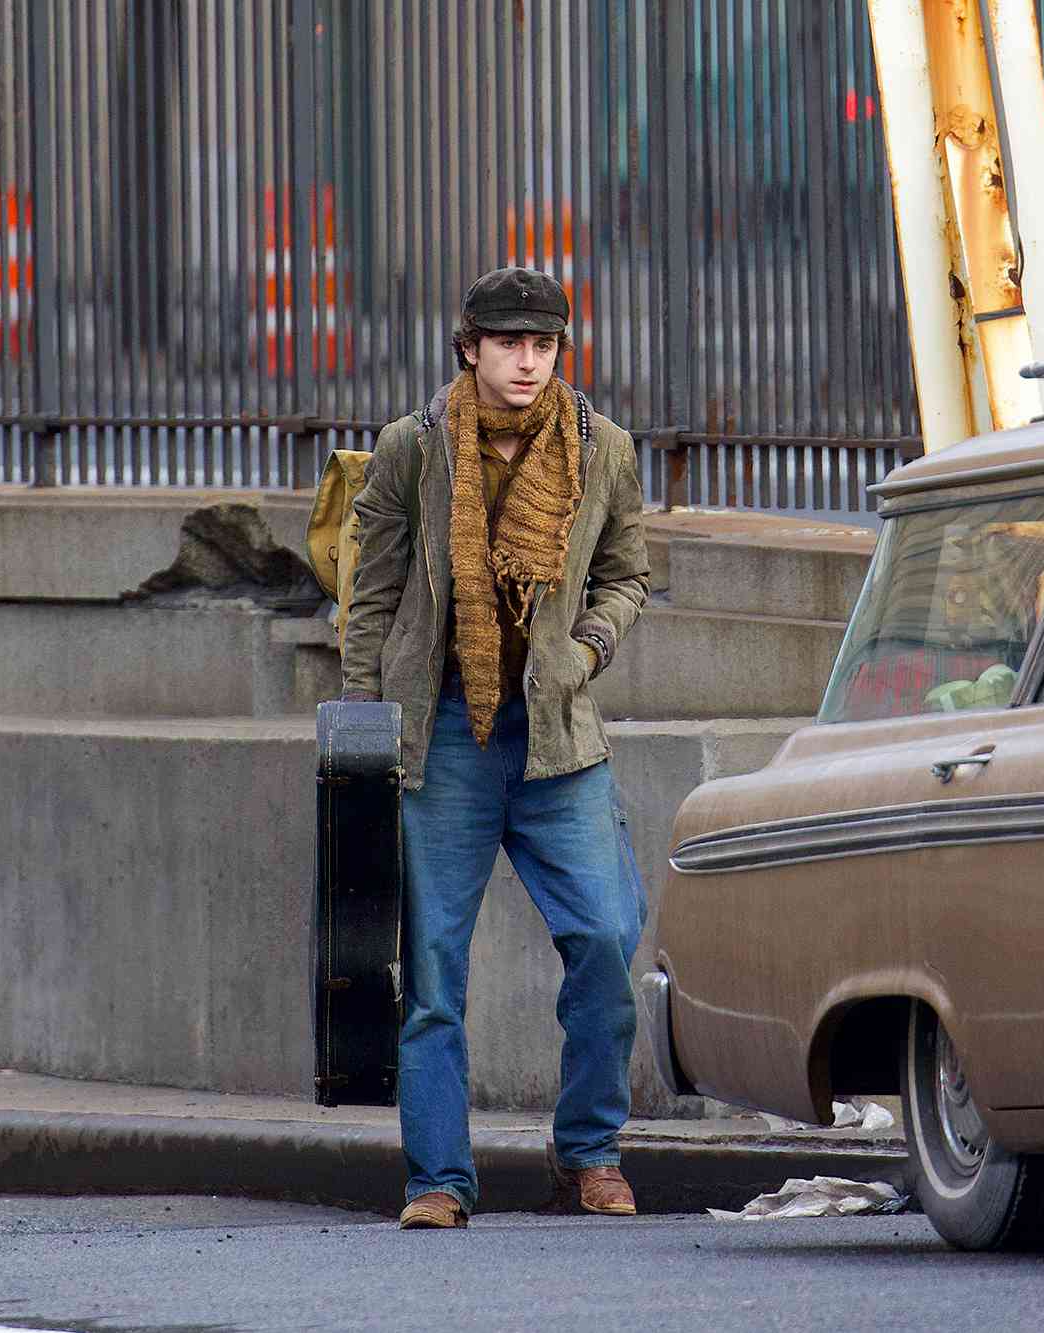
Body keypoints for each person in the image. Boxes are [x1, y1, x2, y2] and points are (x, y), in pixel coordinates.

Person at [340, 266, 653, 1229]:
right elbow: (373, 596)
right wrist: (362, 724)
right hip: (443, 735)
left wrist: (589, 646)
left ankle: (588, 1153)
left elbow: (626, 574)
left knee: (605, 937)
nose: (528, 362)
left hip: (556, 734)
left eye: (545, 345)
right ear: (468, 346)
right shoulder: (413, 450)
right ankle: (439, 1178)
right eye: (510, 343)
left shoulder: (601, 449)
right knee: (433, 972)